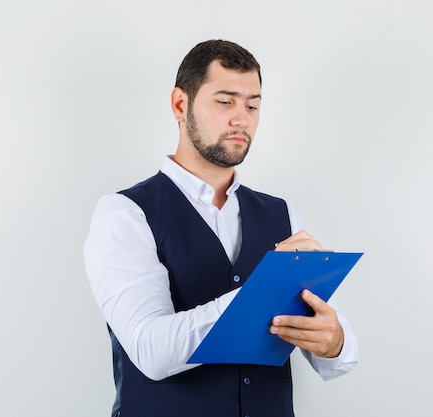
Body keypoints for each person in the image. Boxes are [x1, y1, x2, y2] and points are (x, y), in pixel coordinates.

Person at [83, 39, 358, 417]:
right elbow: (151, 350)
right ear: (181, 105)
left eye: (252, 105)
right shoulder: (125, 214)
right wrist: (261, 292)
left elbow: (339, 354)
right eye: (225, 101)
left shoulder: (283, 214)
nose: (241, 119)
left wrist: (334, 341)